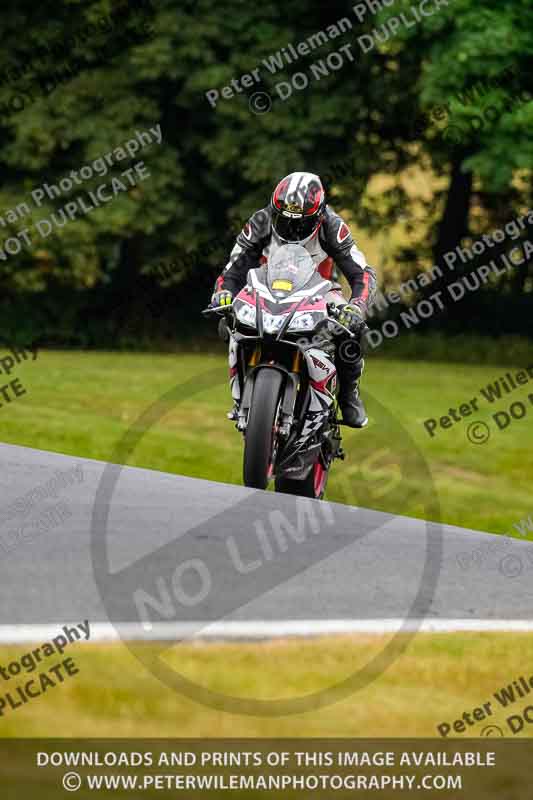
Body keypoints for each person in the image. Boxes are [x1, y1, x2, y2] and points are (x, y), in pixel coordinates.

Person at [211, 171, 377, 427]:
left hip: (321, 291)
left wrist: (356, 307)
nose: (291, 228)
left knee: (353, 332)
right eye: (284, 220)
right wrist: (223, 294)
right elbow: (234, 267)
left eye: (300, 223)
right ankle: (241, 392)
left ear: (318, 214)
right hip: (265, 287)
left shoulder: (332, 226)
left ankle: (348, 395)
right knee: (228, 321)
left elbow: (362, 274)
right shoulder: (261, 220)